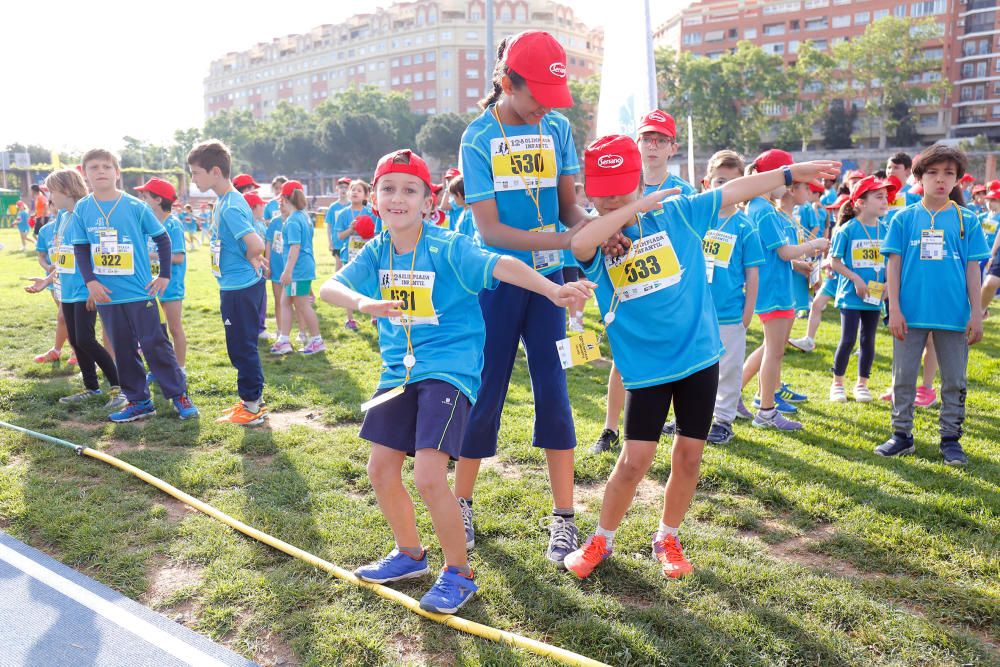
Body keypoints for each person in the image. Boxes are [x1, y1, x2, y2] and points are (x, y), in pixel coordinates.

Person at [319, 149, 593, 613]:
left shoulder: (448, 246)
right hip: (398, 373)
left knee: (428, 477)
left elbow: (502, 266)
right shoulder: (376, 249)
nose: (397, 198)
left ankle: (460, 574)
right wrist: (364, 304)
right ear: (374, 199)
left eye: (410, 190)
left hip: (448, 373)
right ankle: (409, 555)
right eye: (388, 188)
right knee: (380, 471)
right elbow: (328, 288)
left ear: (429, 201)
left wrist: (552, 289)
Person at [562, 134, 839, 580]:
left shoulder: (680, 213)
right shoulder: (599, 237)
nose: (611, 197)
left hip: (698, 360)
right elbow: (579, 246)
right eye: (602, 190)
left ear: (636, 178)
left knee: (689, 455)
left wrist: (788, 174)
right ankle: (601, 538)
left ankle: (667, 536)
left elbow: (732, 192)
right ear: (588, 191)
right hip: (646, 370)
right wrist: (633, 207)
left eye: (621, 186)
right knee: (634, 460)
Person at [455, 30, 595, 567]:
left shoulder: (556, 127)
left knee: (555, 391)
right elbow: (489, 232)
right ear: (507, 82)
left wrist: (597, 230)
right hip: (494, 282)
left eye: (553, 100)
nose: (545, 110)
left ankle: (564, 519)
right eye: (536, 96)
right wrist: (566, 238)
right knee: (484, 391)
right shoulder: (476, 138)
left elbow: (570, 209)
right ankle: (461, 503)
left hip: (551, 287)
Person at [877, 145, 989, 466]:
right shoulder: (903, 218)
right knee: (903, 376)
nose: (941, 180)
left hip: (954, 315)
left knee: (954, 379)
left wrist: (975, 312)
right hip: (909, 315)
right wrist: (894, 308)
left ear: (957, 180)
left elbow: (972, 270)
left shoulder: (966, 219)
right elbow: (893, 267)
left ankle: (951, 439)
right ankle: (901, 435)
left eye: (949, 174)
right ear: (919, 177)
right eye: (933, 173)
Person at [69, 149, 197, 422]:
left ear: (117, 172)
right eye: (94, 167)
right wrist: (90, 282)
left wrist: (164, 275)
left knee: (156, 345)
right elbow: (80, 248)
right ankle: (139, 401)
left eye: (106, 166)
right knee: (123, 349)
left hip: (140, 292)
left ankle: (179, 395)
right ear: (85, 173)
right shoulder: (83, 208)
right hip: (108, 296)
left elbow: (163, 239)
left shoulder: (135, 207)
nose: (100, 171)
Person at [739, 150, 831, 429]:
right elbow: (783, 252)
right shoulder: (763, 209)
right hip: (774, 290)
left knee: (770, 348)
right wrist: (813, 247)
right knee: (773, 352)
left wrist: (797, 264)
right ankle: (766, 411)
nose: (790, 183)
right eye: (786, 175)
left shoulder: (760, 207)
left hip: (774, 285)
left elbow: (773, 256)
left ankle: (730, 398)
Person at [23, 169, 124, 407]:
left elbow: (98, 253)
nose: (50, 197)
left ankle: (120, 388)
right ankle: (92, 388)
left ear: (67, 190)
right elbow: (63, 259)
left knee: (86, 339)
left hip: (84, 288)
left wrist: (94, 287)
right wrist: (47, 281)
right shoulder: (61, 218)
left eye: (53, 191)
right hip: (66, 289)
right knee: (76, 341)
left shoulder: (86, 213)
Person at [187, 140, 267, 425]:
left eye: (196, 173)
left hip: (240, 288)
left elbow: (256, 243)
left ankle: (253, 407)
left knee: (241, 347)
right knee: (241, 345)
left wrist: (251, 257)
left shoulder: (231, 205)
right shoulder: (224, 201)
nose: (193, 179)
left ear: (215, 171)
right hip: (235, 286)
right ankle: (251, 400)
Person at [698, 150, 764, 444]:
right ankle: (690, 415)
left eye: (734, 183)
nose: (726, 189)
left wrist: (748, 310)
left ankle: (723, 419)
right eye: (720, 181)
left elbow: (752, 272)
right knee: (695, 366)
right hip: (696, 310)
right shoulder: (698, 218)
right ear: (707, 182)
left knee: (729, 367)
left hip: (729, 312)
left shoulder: (745, 226)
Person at [828, 176, 891, 403]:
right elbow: (834, 262)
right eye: (878, 197)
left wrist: (888, 285)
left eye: (886, 197)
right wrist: (855, 278)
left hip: (875, 297)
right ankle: (837, 383)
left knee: (868, 340)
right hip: (850, 297)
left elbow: (892, 263)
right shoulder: (847, 230)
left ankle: (862, 384)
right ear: (861, 202)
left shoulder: (886, 229)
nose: (885, 201)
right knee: (848, 339)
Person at [135, 178, 190, 382]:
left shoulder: (173, 224)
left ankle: (180, 368)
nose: (142, 199)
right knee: (155, 332)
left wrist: (149, 255)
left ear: (158, 199)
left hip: (171, 286)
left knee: (175, 328)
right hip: (151, 287)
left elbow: (178, 257)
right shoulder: (149, 223)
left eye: (145, 196)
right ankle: (160, 369)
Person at [272, 180, 325, 355]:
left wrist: (287, 272)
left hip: (298, 271)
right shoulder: (304, 216)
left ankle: (317, 340)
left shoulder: (293, 221)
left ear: (286, 200)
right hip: (302, 268)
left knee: (302, 305)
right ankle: (284, 340)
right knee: (285, 302)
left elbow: (295, 248)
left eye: (281, 201)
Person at [334, 180, 375, 330]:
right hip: (349, 255)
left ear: (366, 195)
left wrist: (367, 233)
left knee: (371, 284)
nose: (355, 192)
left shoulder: (371, 212)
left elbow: (377, 233)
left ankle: (374, 316)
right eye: (353, 189)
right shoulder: (344, 213)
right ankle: (350, 319)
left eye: (359, 190)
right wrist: (351, 230)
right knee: (348, 286)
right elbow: (339, 236)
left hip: (367, 255)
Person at [31, 215, 71, 365]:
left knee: (64, 316)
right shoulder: (45, 230)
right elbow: (41, 256)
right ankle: (65, 350)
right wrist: (48, 269)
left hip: (73, 281)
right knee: (64, 317)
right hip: (55, 281)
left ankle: (63, 350)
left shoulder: (73, 224)